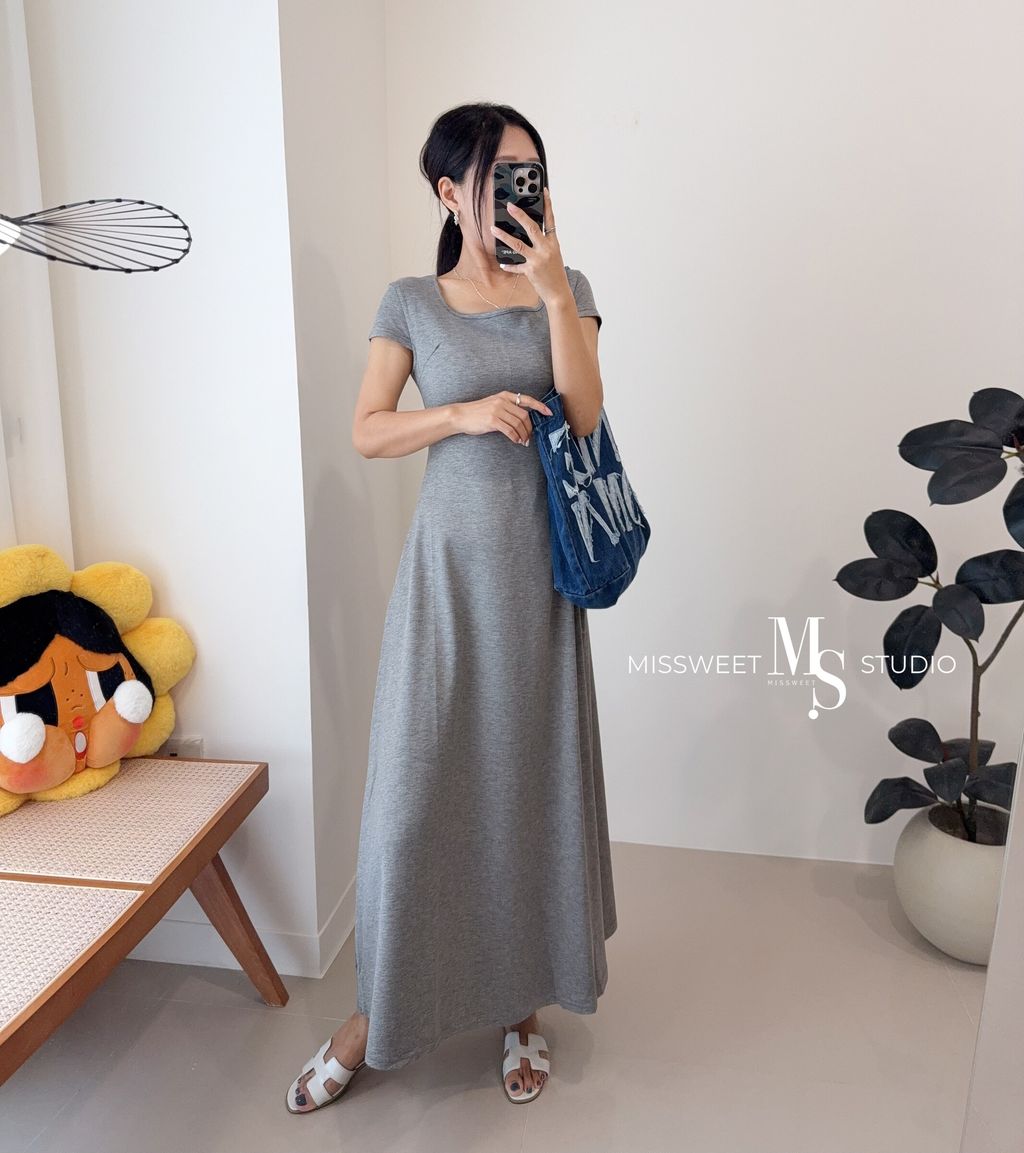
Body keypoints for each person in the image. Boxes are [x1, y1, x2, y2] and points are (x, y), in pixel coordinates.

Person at [286, 101, 617, 1114]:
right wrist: (463, 412)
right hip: (445, 582)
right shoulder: (410, 302)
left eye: (531, 171)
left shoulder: (569, 287)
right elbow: (368, 430)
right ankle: (372, 1018)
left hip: (539, 582)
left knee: (527, 787)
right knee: (411, 804)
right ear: (449, 190)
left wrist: (552, 294)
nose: (521, 188)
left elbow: (587, 416)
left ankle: (522, 1005)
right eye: (498, 173)